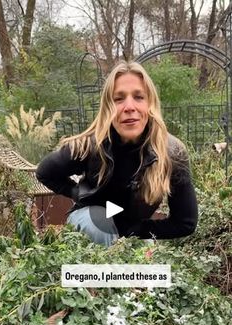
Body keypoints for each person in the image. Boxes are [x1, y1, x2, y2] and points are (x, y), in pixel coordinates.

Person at [36, 61, 198, 247]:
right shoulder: (88, 145)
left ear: (150, 104)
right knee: (101, 226)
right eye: (119, 99)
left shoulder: (172, 152)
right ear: (108, 108)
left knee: (142, 253)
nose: (129, 106)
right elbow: (44, 172)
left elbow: (186, 223)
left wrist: (135, 231)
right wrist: (76, 192)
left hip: (133, 224)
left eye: (138, 97)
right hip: (91, 218)